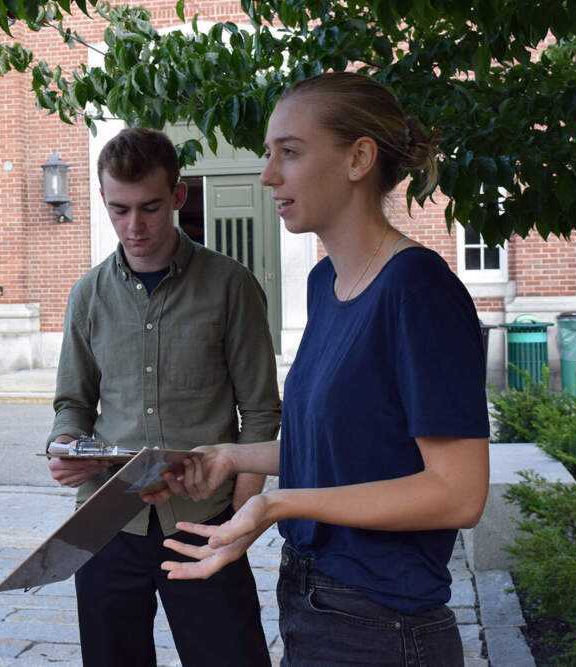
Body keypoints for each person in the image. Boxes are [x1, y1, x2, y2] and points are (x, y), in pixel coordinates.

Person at [146, 71, 491, 666]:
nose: (267, 175)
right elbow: (342, 448)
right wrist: (231, 456)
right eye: (268, 154)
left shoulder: (418, 292)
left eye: (290, 152)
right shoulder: (324, 283)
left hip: (385, 626)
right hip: (311, 605)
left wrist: (282, 503)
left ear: (359, 158)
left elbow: (457, 493)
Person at [48, 127, 283, 666]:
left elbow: (262, 411)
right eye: (119, 209)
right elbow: (73, 404)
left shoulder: (231, 285)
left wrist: (240, 516)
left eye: (150, 208)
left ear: (178, 196)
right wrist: (65, 444)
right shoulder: (87, 294)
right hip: (106, 522)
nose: (135, 227)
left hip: (205, 520)